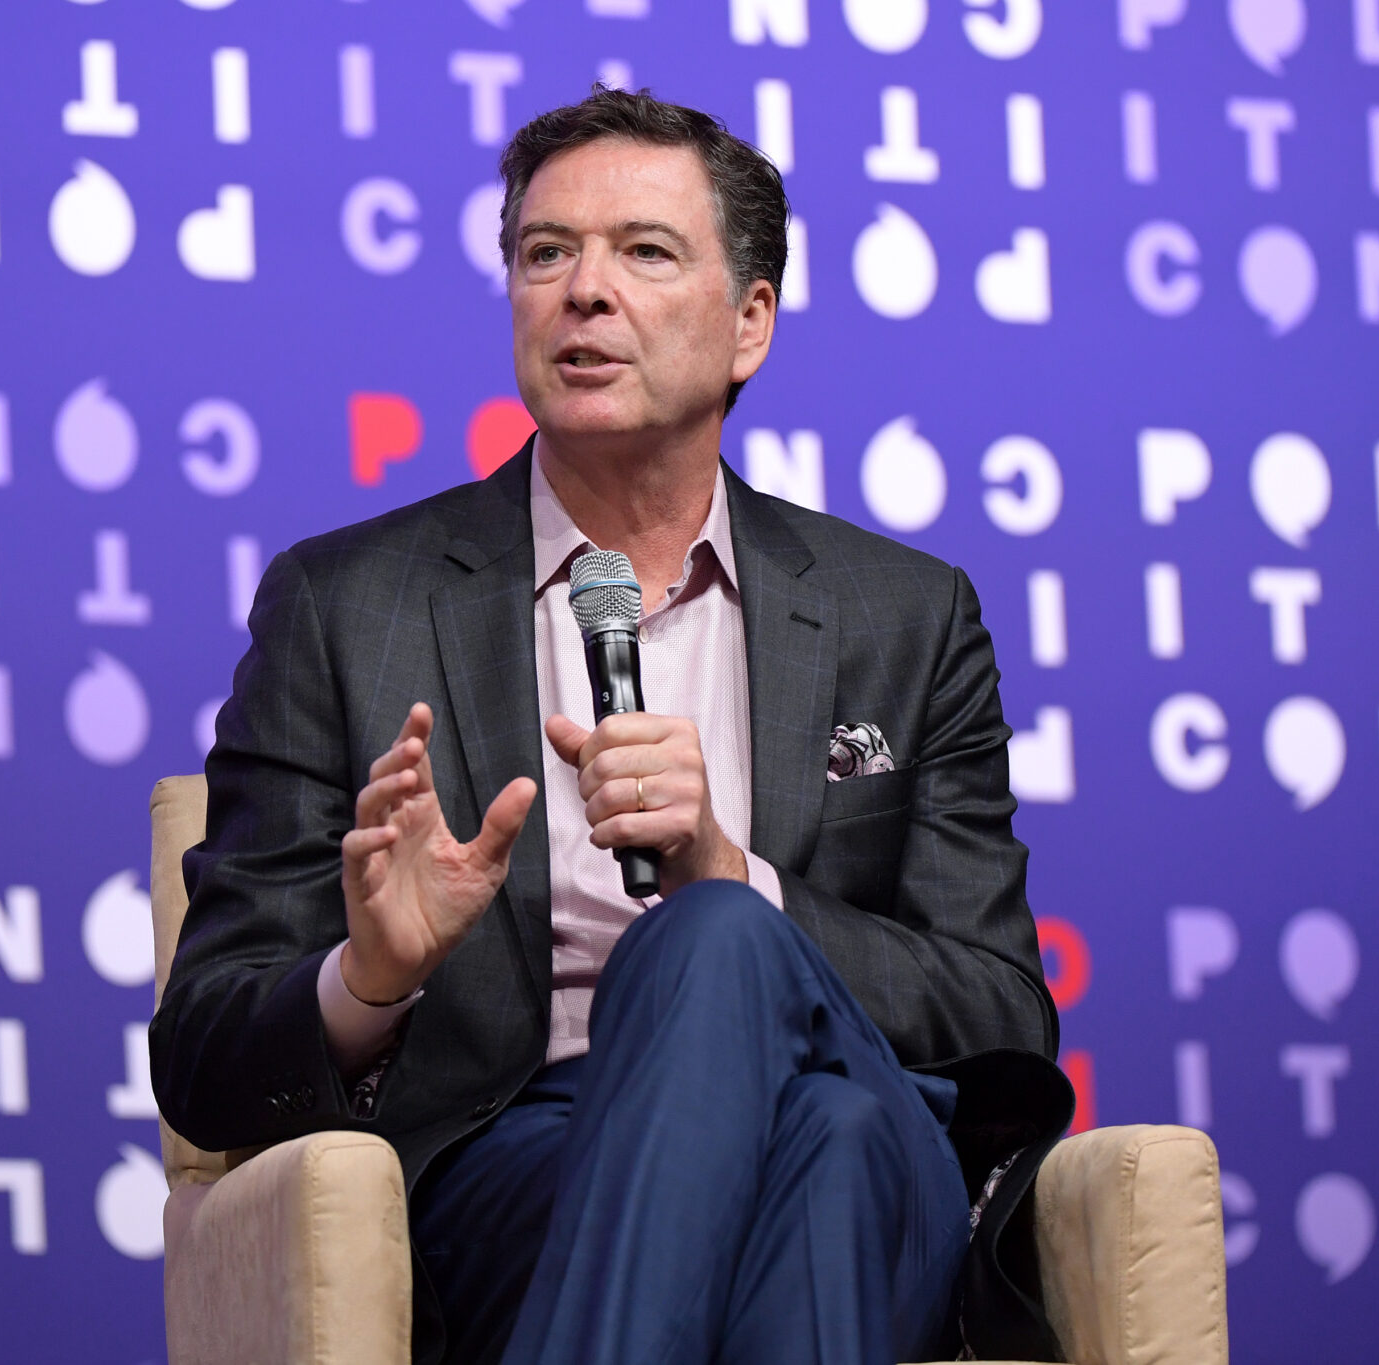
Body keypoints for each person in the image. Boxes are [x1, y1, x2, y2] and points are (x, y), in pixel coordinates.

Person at [150, 88, 1071, 1365]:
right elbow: (201, 1058)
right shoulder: (346, 606)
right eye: (545, 253)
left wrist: (731, 877)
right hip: (521, 1156)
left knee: (727, 943)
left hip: (864, 1123)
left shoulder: (903, 617)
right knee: (831, 1148)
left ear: (749, 323)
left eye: (643, 251)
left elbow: (1001, 1018)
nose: (582, 290)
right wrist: (373, 976)